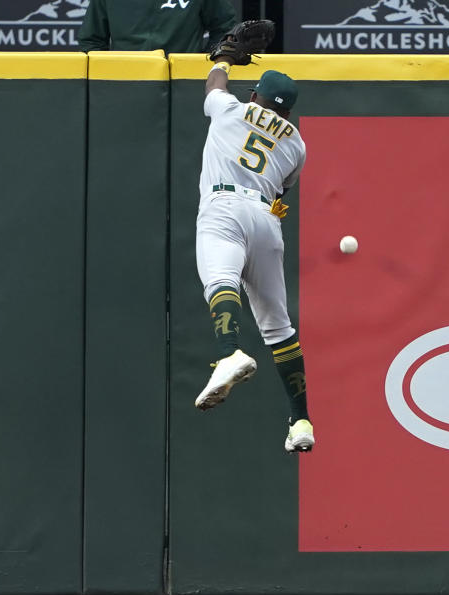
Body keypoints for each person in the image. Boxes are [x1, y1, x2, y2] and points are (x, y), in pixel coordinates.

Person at [192, 56, 314, 453]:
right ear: (289, 111)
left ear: (254, 95)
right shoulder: (296, 142)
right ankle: (301, 421)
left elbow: (213, 86)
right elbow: (282, 192)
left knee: (221, 280)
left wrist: (223, 59)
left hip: (224, 204)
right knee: (279, 327)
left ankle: (229, 353)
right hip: (266, 218)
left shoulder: (232, 108)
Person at [78, 0, 237, 53]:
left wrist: (202, 66)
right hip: (123, 82)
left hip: (182, 83)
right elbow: (91, 41)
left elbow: (225, 28)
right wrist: (107, 77)